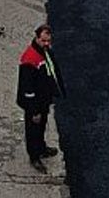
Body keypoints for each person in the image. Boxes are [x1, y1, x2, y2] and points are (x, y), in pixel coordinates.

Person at [17, 24, 65, 173]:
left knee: (41, 126)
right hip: (34, 104)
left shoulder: (45, 51)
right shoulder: (29, 60)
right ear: (37, 38)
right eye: (43, 41)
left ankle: (41, 148)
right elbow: (27, 90)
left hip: (43, 100)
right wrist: (34, 111)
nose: (46, 44)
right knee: (33, 130)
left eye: (48, 41)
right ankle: (34, 157)